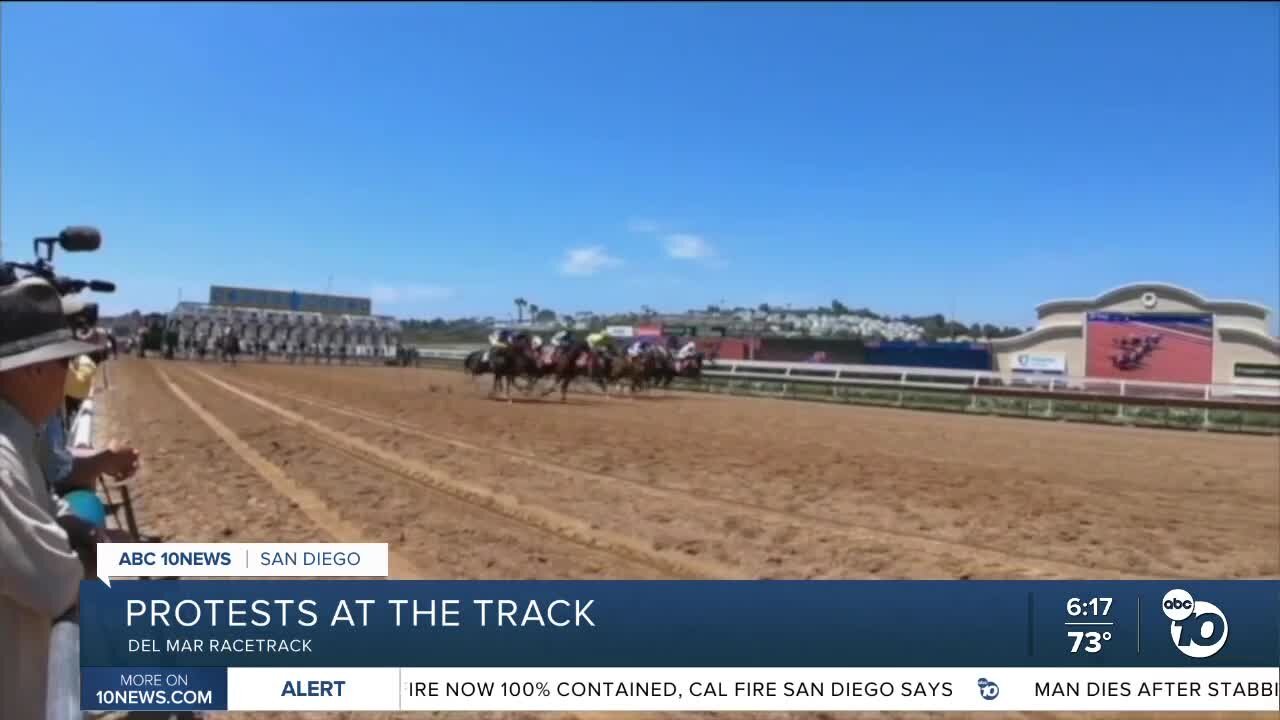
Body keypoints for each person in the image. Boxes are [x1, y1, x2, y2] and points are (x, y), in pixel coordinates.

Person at [0, 277, 103, 720]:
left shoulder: (19, 443)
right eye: (62, 363)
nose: (68, 374)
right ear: (33, 370)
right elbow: (58, 584)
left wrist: (75, 529)